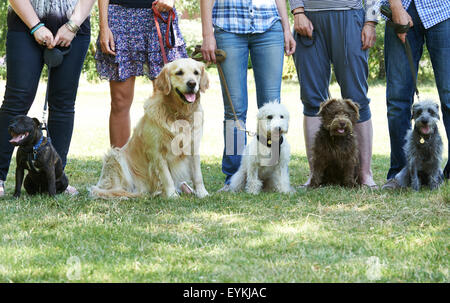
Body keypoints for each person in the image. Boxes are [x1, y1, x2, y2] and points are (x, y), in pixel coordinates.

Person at [0, 0, 96, 197]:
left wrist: (73, 25)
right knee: (16, 99)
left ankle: (57, 179)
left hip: (74, 24)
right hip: (25, 19)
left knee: (63, 103)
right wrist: (35, 25)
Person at [200, 0, 296, 191]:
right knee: (234, 112)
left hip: (269, 25)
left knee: (272, 107)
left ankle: (274, 177)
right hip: (228, 26)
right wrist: (207, 34)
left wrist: (286, 28)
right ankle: (235, 177)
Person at [289, 0, 379, 188]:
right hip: (308, 16)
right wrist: (297, 11)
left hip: (348, 15)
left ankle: (364, 174)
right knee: (312, 99)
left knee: (357, 98)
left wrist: (370, 21)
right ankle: (315, 175)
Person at [95, 0, 188, 148]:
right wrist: (104, 26)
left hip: (158, 13)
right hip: (119, 15)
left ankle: (174, 164)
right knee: (119, 101)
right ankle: (120, 165)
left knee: (169, 99)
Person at [380, 0, 450, 184]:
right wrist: (396, 7)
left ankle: (443, 174)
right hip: (401, 6)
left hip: (443, 9)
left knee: (449, 95)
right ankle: (402, 173)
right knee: (397, 99)